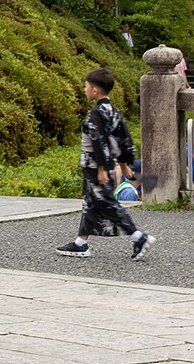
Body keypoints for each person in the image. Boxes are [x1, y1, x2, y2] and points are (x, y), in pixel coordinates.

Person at [57, 67, 153, 261]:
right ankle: (80, 243)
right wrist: (125, 165)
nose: (84, 90)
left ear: (94, 90)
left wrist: (101, 168)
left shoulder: (95, 114)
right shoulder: (114, 112)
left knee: (108, 203)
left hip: (96, 167)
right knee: (91, 203)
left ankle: (138, 237)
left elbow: (98, 141)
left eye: (85, 86)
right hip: (106, 166)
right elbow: (124, 138)